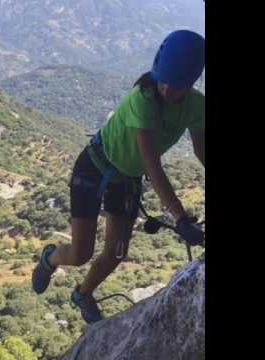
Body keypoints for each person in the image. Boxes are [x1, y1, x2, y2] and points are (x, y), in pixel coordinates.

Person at [32, 30, 205, 324]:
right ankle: (50, 258)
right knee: (80, 253)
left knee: (115, 253)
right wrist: (178, 216)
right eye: (162, 80)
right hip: (95, 165)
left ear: (190, 83)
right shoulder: (144, 98)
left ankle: (83, 294)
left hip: (126, 179)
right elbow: (151, 163)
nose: (165, 89)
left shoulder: (197, 107)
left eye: (174, 85)